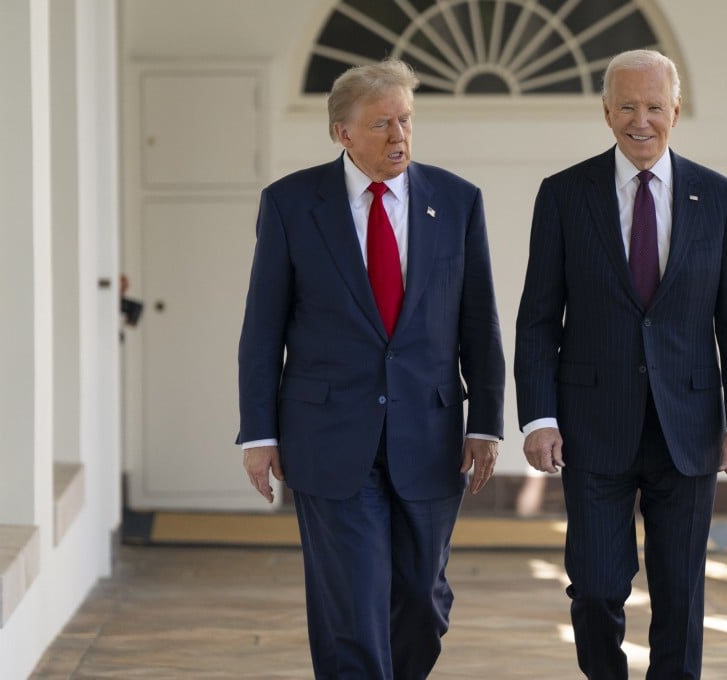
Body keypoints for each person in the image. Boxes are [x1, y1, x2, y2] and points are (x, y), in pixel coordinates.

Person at [237, 58, 505, 679]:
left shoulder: (458, 202)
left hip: (431, 435)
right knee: (352, 611)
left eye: (406, 120)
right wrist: (259, 434)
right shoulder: (290, 204)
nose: (399, 136)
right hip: (328, 438)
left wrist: (487, 421)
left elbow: (479, 322)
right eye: (381, 123)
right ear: (343, 134)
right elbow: (262, 329)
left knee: (421, 601)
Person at [514, 49, 727, 679]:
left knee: (680, 595)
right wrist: (537, 416)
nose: (641, 120)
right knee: (597, 587)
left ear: (676, 111)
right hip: (592, 426)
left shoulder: (722, 198)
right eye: (627, 105)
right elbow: (539, 317)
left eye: (654, 106)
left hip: (690, 427)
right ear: (605, 111)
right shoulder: (564, 195)